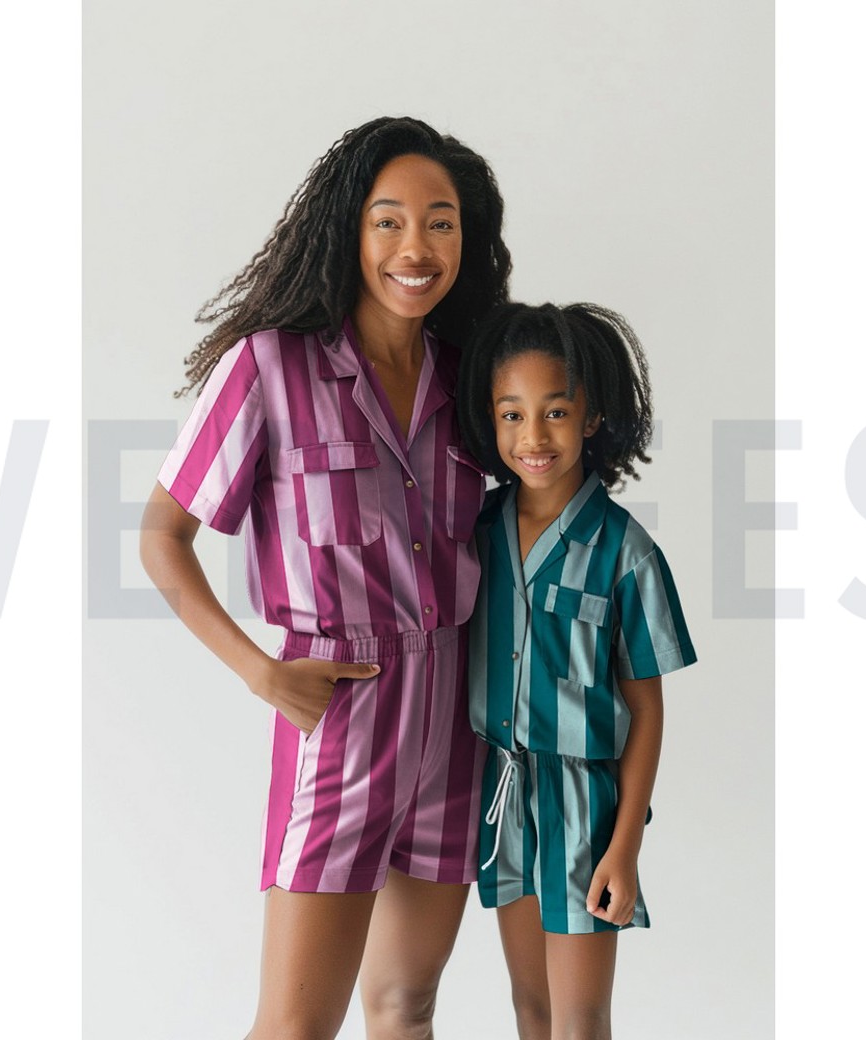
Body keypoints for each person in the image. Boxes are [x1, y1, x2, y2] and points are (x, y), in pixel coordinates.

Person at [139, 116, 511, 1040]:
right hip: (343, 716)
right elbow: (162, 536)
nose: (416, 248)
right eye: (389, 221)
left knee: (406, 1007)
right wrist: (261, 673)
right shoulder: (271, 365)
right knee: (297, 1027)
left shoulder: (470, 379)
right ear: (350, 229)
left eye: (441, 222)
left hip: (456, 718)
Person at [456, 302, 697, 1040]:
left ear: (592, 418)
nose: (533, 437)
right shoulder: (475, 530)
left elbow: (647, 710)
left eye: (555, 413)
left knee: (580, 1019)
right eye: (513, 415)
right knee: (531, 1009)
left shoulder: (627, 553)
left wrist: (625, 847)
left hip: (584, 813)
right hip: (501, 801)